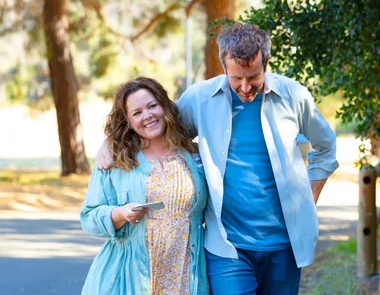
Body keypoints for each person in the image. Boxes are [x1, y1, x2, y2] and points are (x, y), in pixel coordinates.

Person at [96, 23, 339, 294]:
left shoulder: (293, 96)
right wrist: (110, 142)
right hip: (226, 247)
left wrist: (309, 198)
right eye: (236, 78)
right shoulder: (200, 99)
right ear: (223, 65)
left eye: (254, 76)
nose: (246, 87)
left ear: (267, 62)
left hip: (285, 245)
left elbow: (326, 147)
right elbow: (155, 125)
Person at [81, 77, 210, 295]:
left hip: (186, 275)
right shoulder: (116, 159)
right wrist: (120, 214)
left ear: (165, 106)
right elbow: (89, 217)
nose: (147, 116)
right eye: (137, 112)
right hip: (130, 277)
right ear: (128, 121)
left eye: (152, 106)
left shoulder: (194, 154)